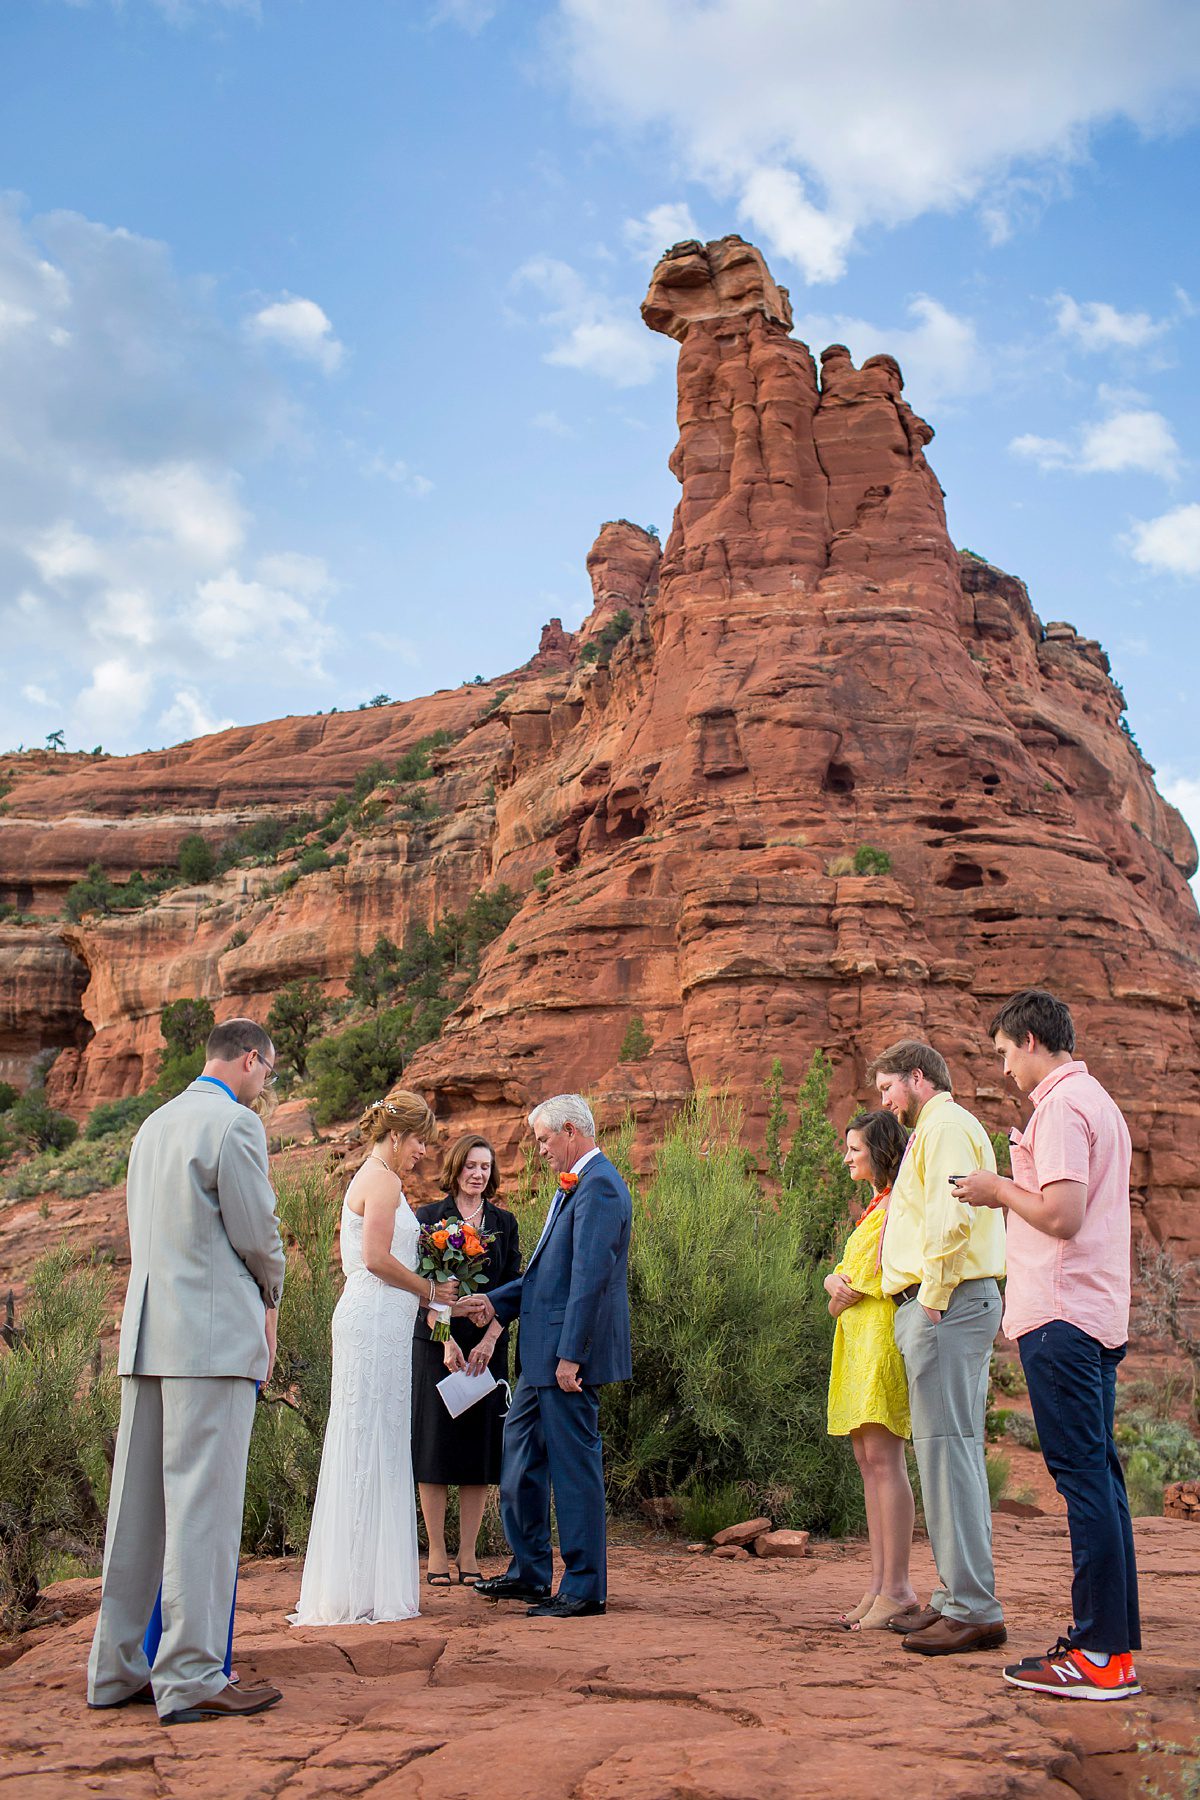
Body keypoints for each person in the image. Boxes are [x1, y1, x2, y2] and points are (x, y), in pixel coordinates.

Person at [87, 1018, 286, 1726]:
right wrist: (274, 1291)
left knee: (134, 1513)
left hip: (147, 1336)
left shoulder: (154, 1125)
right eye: (267, 1073)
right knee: (202, 1509)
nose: (265, 1086)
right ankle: (193, 1674)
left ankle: (115, 1669)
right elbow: (257, 1233)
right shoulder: (233, 1126)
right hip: (210, 1339)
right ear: (250, 1060)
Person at [954, 989, 1141, 1700]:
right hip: (1091, 1314)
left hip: (1061, 1317)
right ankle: (1112, 1650)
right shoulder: (1098, 1102)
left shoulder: (1061, 1106)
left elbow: (1060, 1216)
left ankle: (1097, 1655)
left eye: (1004, 1053)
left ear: (1030, 1040)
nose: (1004, 1070)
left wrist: (996, 1188)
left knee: (1084, 1481)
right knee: (1103, 1480)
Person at [291, 1092, 457, 1626]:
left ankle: (362, 1581)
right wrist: (432, 1292)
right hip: (374, 1315)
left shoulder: (380, 1176)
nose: (423, 1152)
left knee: (376, 1435)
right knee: (368, 1435)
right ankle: (361, 1587)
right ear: (394, 1136)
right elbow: (377, 1259)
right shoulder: (382, 1180)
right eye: (418, 1141)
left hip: (384, 1318)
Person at [466, 1095, 631, 1619]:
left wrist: (571, 1357)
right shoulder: (574, 1188)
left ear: (569, 1130)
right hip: (539, 1357)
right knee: (519, 1469)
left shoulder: (600, 1185)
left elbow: (590, 1281)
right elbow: (545, 1278)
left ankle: (584, 1588)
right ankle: (530, 1573)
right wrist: (493, 1301)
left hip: (564, 1361)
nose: (539, 1151)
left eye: (542, 1139)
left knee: (574, 1470)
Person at [871, 1037, 1007, 1656]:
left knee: (947, 1453)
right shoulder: (939, 1126)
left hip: (946, 1305)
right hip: (949, 1303)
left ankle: (974, 1608)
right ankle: (958, 1597)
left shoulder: (946, 1123)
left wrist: (931, 1294)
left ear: (917, 1077)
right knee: (952, 1455)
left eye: (887, 1088)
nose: (885, 1101)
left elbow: (955, 1213)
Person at [412, 1133, 521, 1586]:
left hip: (484, 1351)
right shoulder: (429, 1218)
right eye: (471, 1166)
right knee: (434, 1448)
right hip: (439, 1347)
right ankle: (436, 1552)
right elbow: (419, 1286)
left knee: (478, 1453)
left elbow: (516, 1288)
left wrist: (491, 1340)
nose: (478, 1174)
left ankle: (470, 1554)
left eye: (485, 1167)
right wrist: (446, 1341)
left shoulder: (504, 1222)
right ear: (455, 1168)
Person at [824, 1109, 917, 1631]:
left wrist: (839, 1286)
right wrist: (831, 1284)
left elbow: (861, 1279)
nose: (847, 1159)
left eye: (855, 1150)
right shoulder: (876, 1205)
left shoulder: (900, 1202)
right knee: (868, 1460)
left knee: (885, 1460)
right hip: (859, 1339)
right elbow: (844, 1277)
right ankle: (880, 1584)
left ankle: (899, 1588)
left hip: (880, 1337)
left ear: (879, 1152)